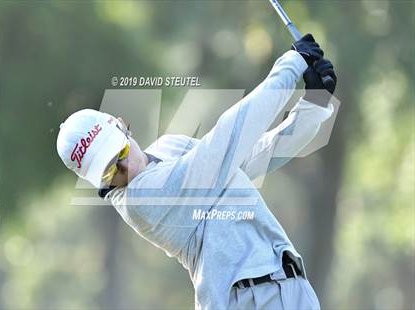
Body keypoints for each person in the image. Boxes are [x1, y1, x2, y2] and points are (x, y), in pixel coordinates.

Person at [56, 34, 337, 309]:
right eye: (110, 173)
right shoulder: (141, 200)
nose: (125, 169)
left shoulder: (170, 146)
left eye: (122, 153)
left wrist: (314, 102)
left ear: (121, 124)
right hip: (243, 299)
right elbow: (227, 139)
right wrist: (291, 64)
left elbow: (257, 158)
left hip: (291, 286)